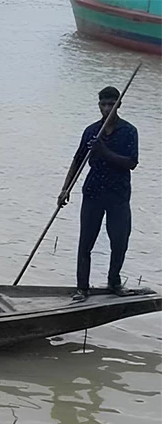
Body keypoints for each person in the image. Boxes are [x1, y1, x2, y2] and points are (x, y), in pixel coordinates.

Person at [57, 86, 139, 302]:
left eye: (111, 104)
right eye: (103, 104)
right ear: (99, 106)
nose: (107, 108)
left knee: (119, 241)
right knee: (86, 242)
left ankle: (114, 282)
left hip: (118, 194)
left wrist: (104, 152)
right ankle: (82, 288)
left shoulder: (129, 131)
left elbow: (131, 163)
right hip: (93, 192)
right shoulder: (91, 131)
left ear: (118, 105)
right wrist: (65, 189)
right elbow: (78, 160)